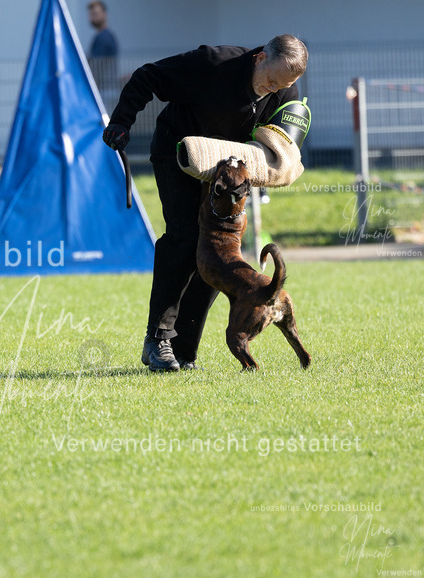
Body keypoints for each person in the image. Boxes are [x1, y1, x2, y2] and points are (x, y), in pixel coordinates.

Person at [102, 35, 308, 372]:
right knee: (183, 240)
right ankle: (158, 341)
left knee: (218, 256)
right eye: (271, 80)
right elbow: (147, 76)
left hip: (224, 172)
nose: (273, 90)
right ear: (259, 58)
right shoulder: (213, 64)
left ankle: (183, 351)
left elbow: (283, 140)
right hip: (178, 154)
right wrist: (122, 121)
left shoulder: (285, 92)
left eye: (282, 86)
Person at [87, 1, 119, 94]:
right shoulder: (106, 35)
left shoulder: (103, 37)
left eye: (96, 14)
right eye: (91, 14)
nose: (92, 17)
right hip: (106, 89)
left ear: (104, 15)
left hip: (104, 89)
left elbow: (96, 65)